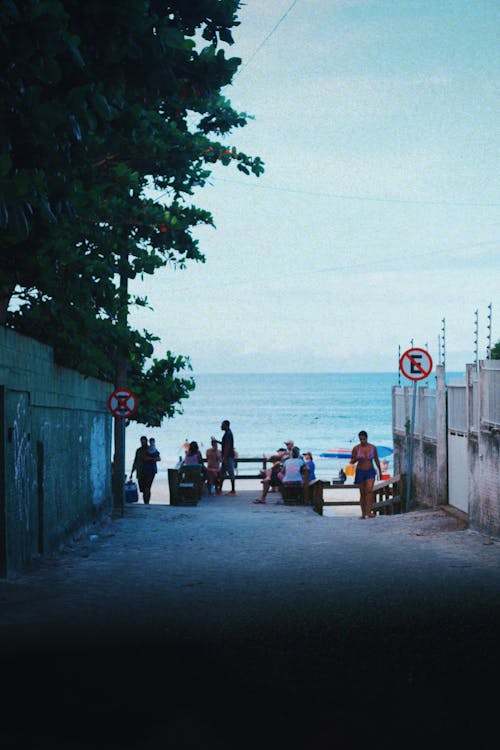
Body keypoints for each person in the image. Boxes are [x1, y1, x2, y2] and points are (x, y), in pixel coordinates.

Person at [349, 430, 381, 519]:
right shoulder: (356, 448)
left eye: (363, 439)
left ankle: (369, 512)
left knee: (369, 491)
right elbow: (352, 461)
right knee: (362, 493)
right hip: (360, 471)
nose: (362, 441)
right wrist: (356, 459)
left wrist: (380, 471)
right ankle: (363, 513)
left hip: (370, 471)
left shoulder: (372, 448)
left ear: (366, 438)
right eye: (360, 439)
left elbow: (376, 460)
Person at [130, 435, 161, 504]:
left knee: (147, 487)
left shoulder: (151, 449)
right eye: (141, 442)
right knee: (143, 489)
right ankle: (146, 502)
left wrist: (150, 459)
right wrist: (132, 472)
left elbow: (159, 458)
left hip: (150, 471)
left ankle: (146, 502)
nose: (143, 443)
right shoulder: (139, 450)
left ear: (146, 442)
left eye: (144, 442)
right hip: (140, 471)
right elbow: (135, 461)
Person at [213, 420, 236, 496]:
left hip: (228, 457)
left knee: (231, 473)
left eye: (222, 425)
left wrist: (224, 457)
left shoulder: (228, 434)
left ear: (226, 425)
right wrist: (217, 441)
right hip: (226, 456)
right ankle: (219, 490)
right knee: (222, 473)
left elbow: (227, 446)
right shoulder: (227, 434)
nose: (221, 426)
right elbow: (224, 444)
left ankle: (233, 491)